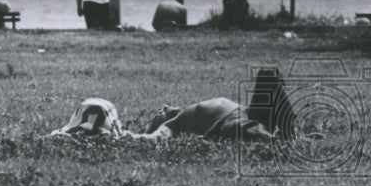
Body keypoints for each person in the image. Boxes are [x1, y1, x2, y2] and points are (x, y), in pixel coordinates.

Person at [49, 68, 296, 144]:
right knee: (246, 130)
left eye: (162, 109)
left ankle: (291, 134)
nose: (164, 107)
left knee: (268, 75)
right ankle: (280, 141)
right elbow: (150, 139)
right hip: (231, 123)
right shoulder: (172, 125)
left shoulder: (181, 114)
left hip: (249, 112)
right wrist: (124, 137)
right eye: (159, 113)